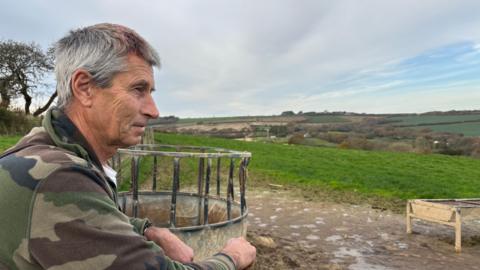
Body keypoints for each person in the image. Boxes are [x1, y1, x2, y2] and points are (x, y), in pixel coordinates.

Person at [0, 23, 256, 270]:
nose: (153, 111)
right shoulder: (58, 177)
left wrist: (148, 231)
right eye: (138, 89)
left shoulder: (42, 146)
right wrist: (231, 257)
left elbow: (88, 218)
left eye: (151, 92)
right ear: (84, 88)